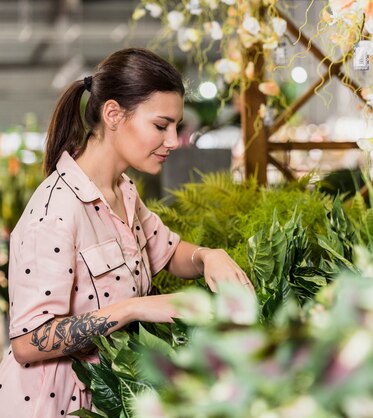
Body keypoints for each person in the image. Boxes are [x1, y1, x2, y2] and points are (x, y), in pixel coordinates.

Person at [0, 48, 253, 417]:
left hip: (110, 392)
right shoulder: (55, 211)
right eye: (160, 125)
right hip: (54, 404)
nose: (172, 141)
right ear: (114, 114)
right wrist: (134, 309)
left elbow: (167, 250)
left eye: (175, 128)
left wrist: (207, 257)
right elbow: (27, 341)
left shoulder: (123, 191)